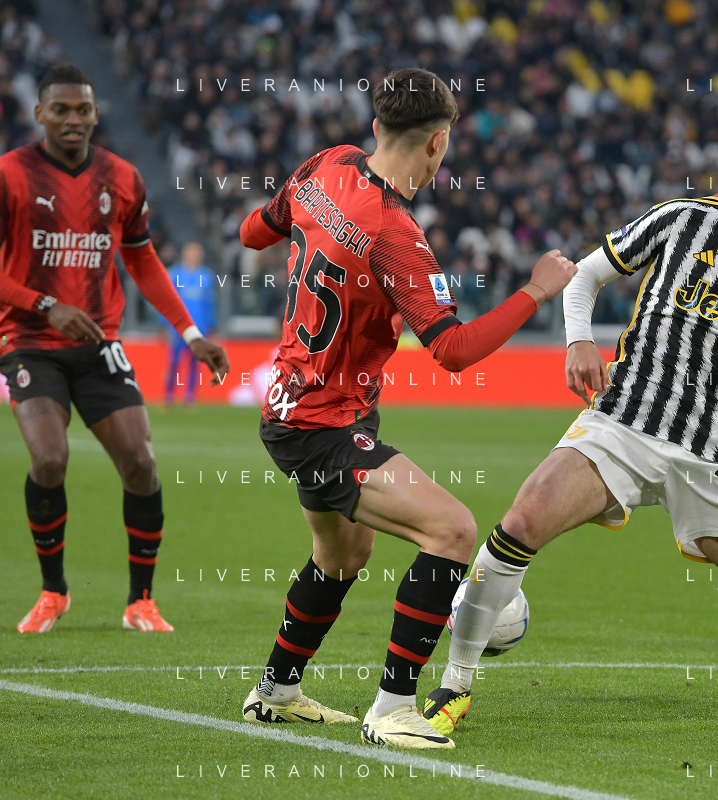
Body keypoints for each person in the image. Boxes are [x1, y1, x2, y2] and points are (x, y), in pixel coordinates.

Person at [424, 121, 718, 738]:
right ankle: (454, 685)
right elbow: (585, 276)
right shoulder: (682, 219)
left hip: (717, 455)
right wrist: (579, 341)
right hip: (625, 423)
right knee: (522, 520)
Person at [236, 67, 575, 749]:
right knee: (451, 530)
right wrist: (537, 291)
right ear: (438, 142)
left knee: (342, 554)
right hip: (323, 421)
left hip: (295, 402)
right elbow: (452, 349)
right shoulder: (396, 232)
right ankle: (393, 708)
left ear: (375, 127)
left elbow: (252, 233)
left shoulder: (328, 163)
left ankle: (275, 691)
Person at [0, 63, 229, 633]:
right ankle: (54, 591)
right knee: (50, 459)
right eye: (61, 109)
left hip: (98, 343)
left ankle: (141, 600)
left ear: (96, 114)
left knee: (141, 463)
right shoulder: (6, 176)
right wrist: (45, 305)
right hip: (29, 341)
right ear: (40, 113)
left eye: (83, 109)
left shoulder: (122, 178)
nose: (73, 119)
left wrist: (191, 334)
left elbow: (142, 259)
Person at [161, 242, 217, 407]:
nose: (194, 256)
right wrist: (163, 324)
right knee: (173, 363)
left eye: (197, 253)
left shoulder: (206, 276)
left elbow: (210, 303)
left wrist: (211, 325)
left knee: (195, 364)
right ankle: (169, 395)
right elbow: (166, 302)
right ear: (185, 254)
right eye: (191, 252)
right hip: (178, 328)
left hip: (199, 328)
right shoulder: (174, 274)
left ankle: (190, 397)